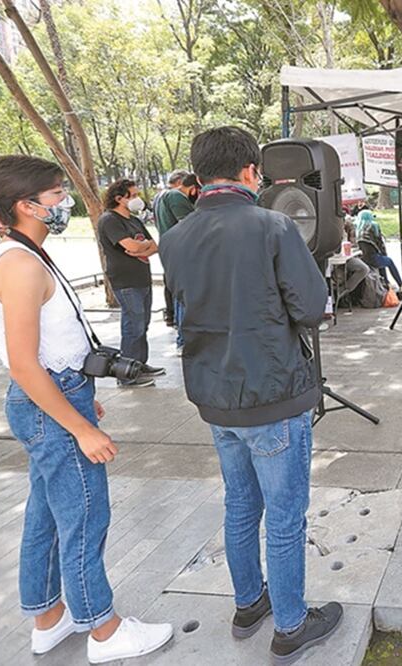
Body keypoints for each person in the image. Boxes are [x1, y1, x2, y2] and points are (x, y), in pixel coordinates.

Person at [0, 155, 173, 663]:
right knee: (85, 516)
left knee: (47, 515)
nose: (65, 203)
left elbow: (48, 349)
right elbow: (23, 364)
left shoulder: (18, 252)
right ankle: (102, 629)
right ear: (26, 205)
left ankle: (48, 616)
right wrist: (78, 426)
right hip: (49, 405)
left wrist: (82, 396)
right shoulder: (19, 264)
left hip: (58, 393)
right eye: (57, 194)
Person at [159, 126, 342, 663]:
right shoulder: (273, 226)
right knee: (285, 516)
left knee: (241, 505)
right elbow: (310, 308)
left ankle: (249, 605)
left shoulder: (174, 236)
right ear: (249, 173)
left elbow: (182, 310)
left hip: (214, 393)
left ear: (199, 174)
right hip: (272, 391)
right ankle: (290, 624)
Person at [96, 179, 166, 387]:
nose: (137, 199)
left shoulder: (134, 220)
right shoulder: (109, 220)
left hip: (142, 277)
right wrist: (140, 247)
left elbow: (153, 245)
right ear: (119, 199)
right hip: (125, 281)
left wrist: (141, 247)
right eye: (133, 195)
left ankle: (139, 364)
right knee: (132, 326)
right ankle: (126, 374)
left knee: (142, 324)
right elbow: (130, 246)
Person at [155, 172, 199, 343]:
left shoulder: (161, 196)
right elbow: (189, 225)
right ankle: (183, 340)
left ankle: (182, 338)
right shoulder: (176, 196)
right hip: (181, 253)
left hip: (170, 251)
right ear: (194, 188)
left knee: (178, 295)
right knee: (183, 298)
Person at [152, 171, 190, 326]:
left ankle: (171, 315)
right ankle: (181, 328)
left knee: (170, 284)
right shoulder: (175, 195)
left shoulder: (159, 197)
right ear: (181, 181)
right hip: (180, 250)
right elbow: (188, 222)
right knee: (182, 291)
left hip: (167, 246)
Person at [356, 209, 402, 288]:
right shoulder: (374, 226)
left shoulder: (358, 230)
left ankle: (386, 283)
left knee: (382, 260)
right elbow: (380, 245)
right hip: (373, 258)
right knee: (388, 261)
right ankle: (400, 284)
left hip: (363, 259)